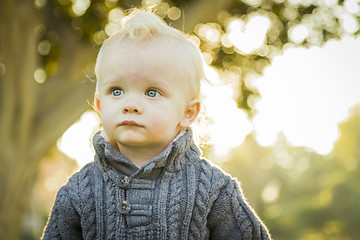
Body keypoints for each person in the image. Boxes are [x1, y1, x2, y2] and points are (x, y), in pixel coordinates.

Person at [42, 8, 271, 240]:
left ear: (188, 112)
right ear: (100, 106)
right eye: (116, 90)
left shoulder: (214, 190)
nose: (130, 104)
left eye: (152, 92)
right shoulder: (78, 192)